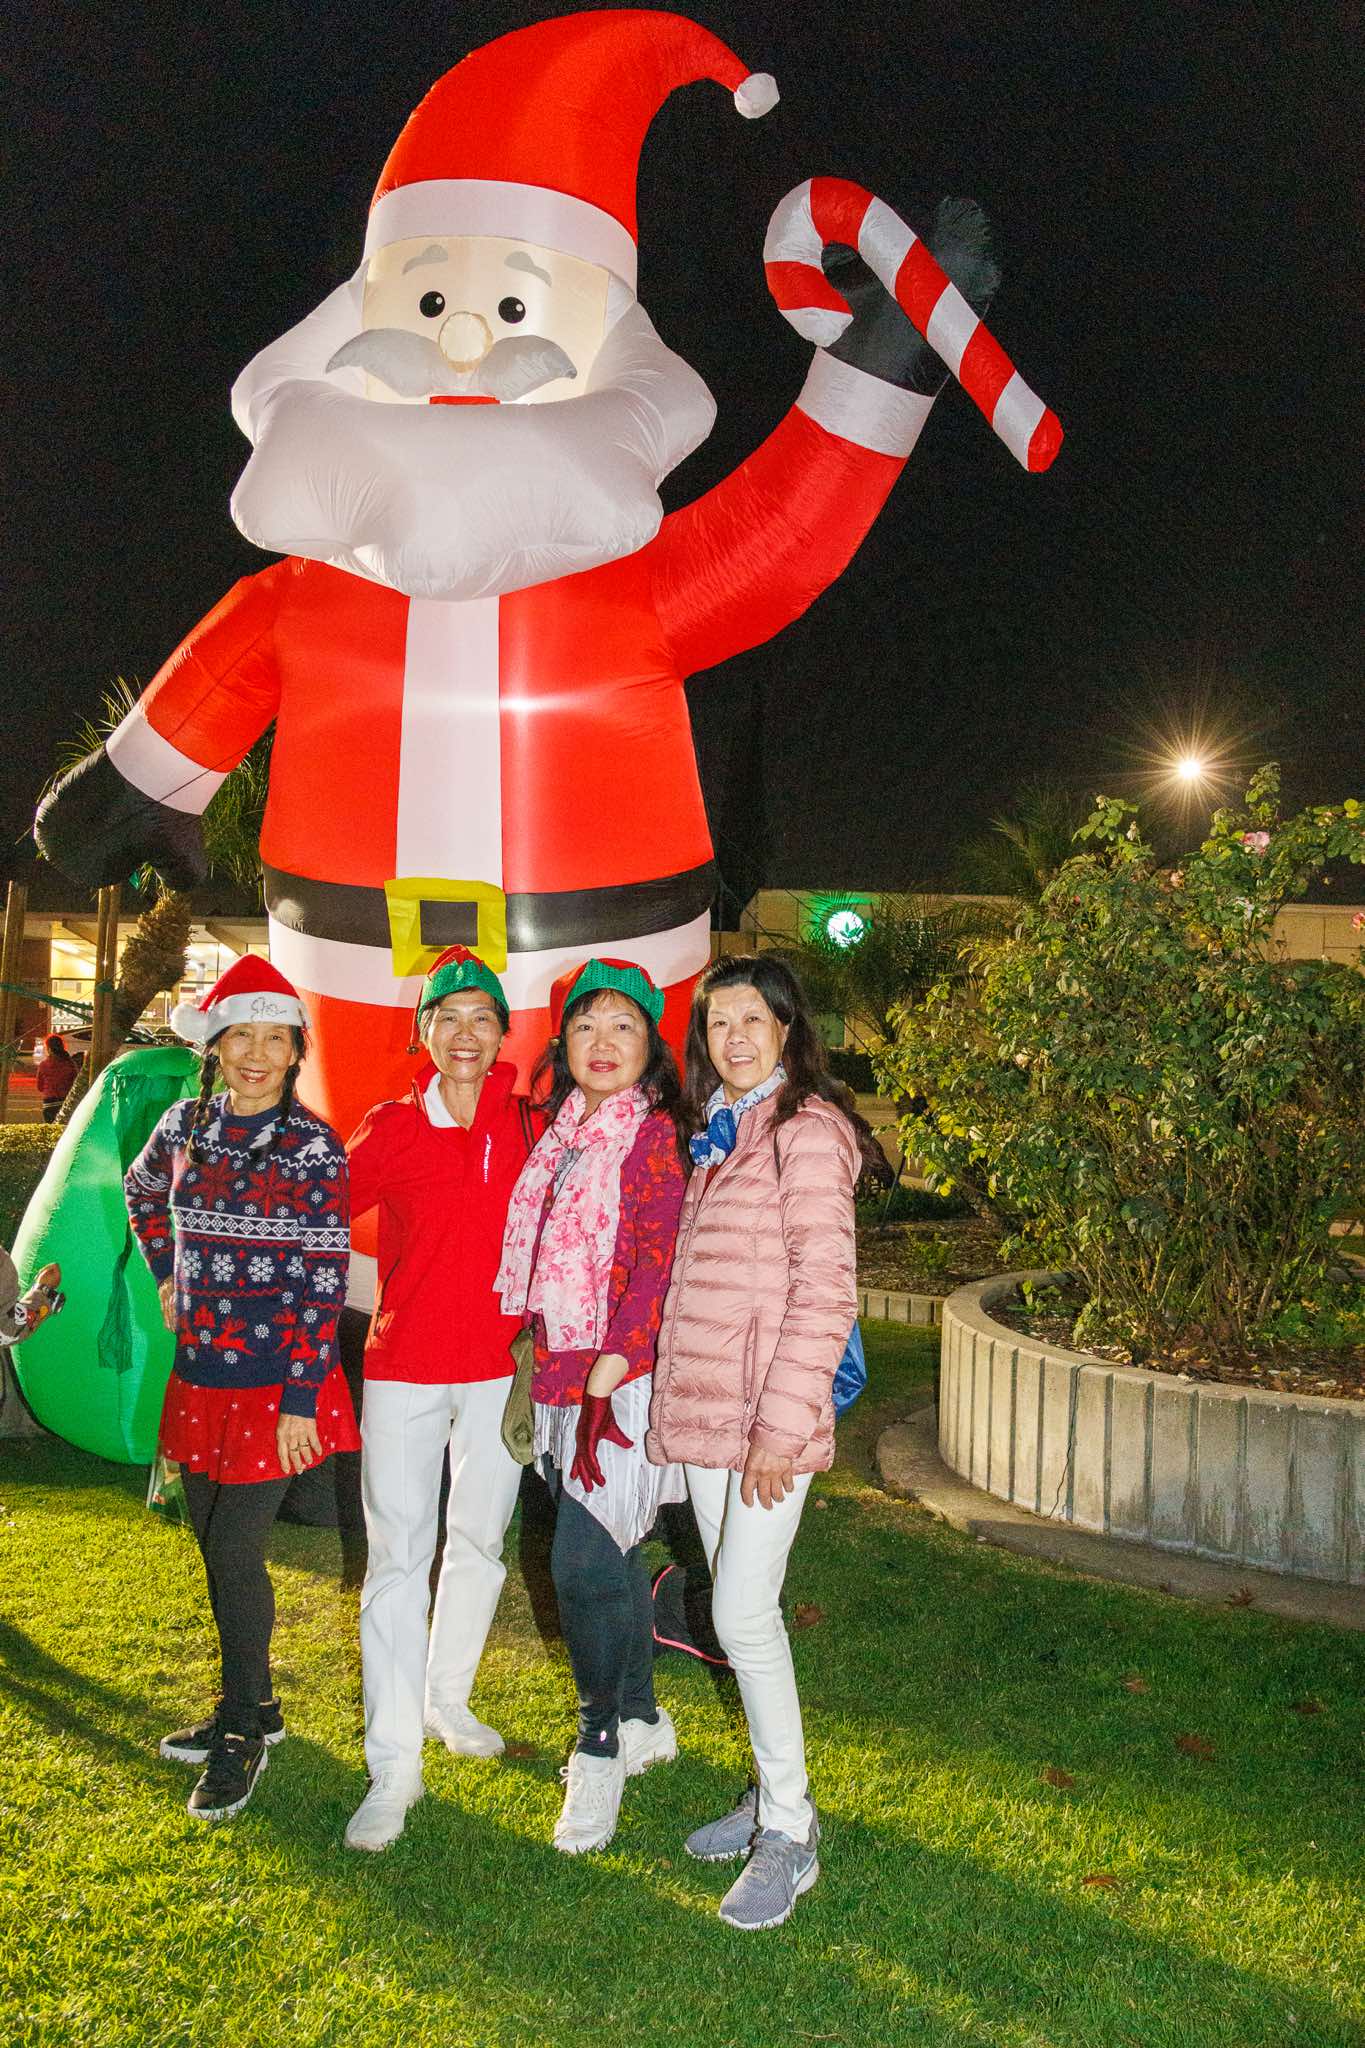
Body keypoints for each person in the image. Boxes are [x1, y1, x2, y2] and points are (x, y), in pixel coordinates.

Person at [647, 954, 883, 1930]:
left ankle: (789, 1827)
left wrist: (780, 1431)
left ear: (788, 1029)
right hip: (712, 1419)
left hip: (765, 1426)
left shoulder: (806, 1131)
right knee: (736, 1609)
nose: (734, 1037)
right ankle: (770, 1792)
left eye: (753, 1019)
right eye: (718, 1023)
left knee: (742, 1615)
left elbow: (825, 1295)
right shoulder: (721, 1133)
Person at [124, 957, 357, 1821]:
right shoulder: (184, 1125)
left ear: (296, 1051)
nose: (256, 1054)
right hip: (200, 1376)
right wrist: (165, 1274)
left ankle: (239, 1733)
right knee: (210, 1543)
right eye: (240, 1037)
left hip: (278, 1384)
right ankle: (256, 1705)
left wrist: (300, 1398)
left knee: (232, 1550)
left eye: (274, 1039)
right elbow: (140, 1191)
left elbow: (323, 1277)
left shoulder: (313, 1146)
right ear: (215, 1046)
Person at [342, 946, 538, 1853]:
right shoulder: (391, 1127)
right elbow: (316, 1211)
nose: (465, 1034)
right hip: (403, 1368)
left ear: (502, 1034)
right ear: (423, 1032)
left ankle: (446, 1699)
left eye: (481, 1018)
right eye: (447, 1017)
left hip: (499, 1369)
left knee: (479, 1542)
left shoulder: (530, 1123)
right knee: (396, 1559)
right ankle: (393, 1766)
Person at [496, 958, 687, 1854]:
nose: (601, 1043)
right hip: (562, 1372)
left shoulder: (651, 1136)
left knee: (578, 1563)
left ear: (650, 1047)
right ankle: (643, 1716)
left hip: (620, 1379)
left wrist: (615, 1361)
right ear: (562, 1041)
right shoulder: (562, 1133)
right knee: (612, 1556)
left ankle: (597, 1744)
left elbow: (658, 1256)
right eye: (584, 1025)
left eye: (622, 1026)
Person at [35, 1034, 77, 1122]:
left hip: (49, 1103)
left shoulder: (44, 1065)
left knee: (50, 1128)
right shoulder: (70, 1063)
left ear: (49, 1049)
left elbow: (40, 1087)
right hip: (65, 1101)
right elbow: (75, 1083)